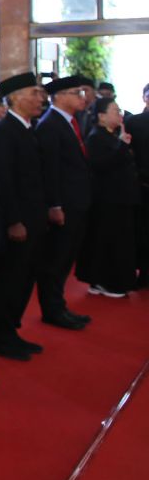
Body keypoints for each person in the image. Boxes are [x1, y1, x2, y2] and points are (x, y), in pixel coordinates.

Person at [0, 73, 49, 360]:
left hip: (33, 219)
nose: (40, 99)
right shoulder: (4, 131)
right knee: (9, 281)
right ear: (16, 98)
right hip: (17, 223)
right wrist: (13, 221)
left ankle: (11, 331)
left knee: (24, 279)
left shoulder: (27, 128)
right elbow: (3, 182)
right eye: (34, 93)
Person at [35, 75, 94, 330]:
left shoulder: (69, 121)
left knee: (66, 258)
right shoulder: (50, 124)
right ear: (59, 97)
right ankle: (52, 310)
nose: (82, 98)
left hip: (77, 201)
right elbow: (50, 170)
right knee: (56, 260)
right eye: (76, 93)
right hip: (64, 205)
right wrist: (55, 205)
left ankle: (59, 306)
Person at [82, 96, 138, 297]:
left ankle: (118, 281)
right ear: (101, 116)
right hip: (107, 199)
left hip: (120, 198)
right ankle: (105, 281)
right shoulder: (95, 137)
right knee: (108, 241)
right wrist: (122, 145)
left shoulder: (112, 135)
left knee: (121, 240)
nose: (120, 114)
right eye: (115, 110)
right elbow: (101, 165)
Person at [124, 82, 149, 287]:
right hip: (142, 185)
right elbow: (126, 152)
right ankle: (143, 273)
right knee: (142, 231)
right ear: (144, 98)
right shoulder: (133, 122)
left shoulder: (133, 121)